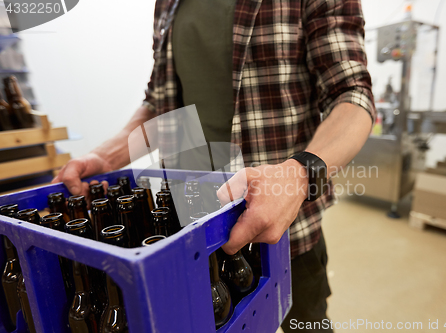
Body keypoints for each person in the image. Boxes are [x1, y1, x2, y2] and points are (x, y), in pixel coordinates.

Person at [53, 0, 375, 331]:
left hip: (286, 233)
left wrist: (297, 174)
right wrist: (105, 157)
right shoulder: (167, 5)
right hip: (192, 231)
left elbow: (351, 94)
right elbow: (160, 102)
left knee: (308, 325)